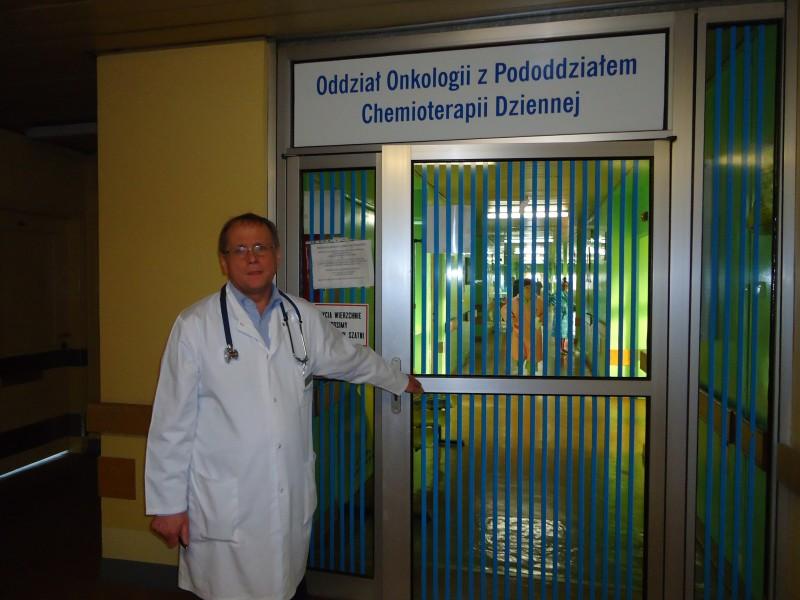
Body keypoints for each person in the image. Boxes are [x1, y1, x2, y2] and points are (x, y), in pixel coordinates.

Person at [145, 213, 422, 600]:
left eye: (261, 247)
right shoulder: (195, 326)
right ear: (224, 261)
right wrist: (168, 506)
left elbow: (348, 358)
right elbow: (171, 423)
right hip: (225, 507)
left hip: (287, 496)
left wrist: (396, 379)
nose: (252, 257)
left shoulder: (301, 317)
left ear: (276, 255)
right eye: (240, 249)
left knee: (286, 586)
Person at [509, 279, 544, 372]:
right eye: (527, 288)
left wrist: (540, 319)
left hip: (534, 334)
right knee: (520, 357)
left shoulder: (539, 300)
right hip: (520, 333)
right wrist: (513, 321)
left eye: (531, 287)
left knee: (532, 359)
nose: (529, 290)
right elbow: (506, 312)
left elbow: (544, 313)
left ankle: (529, 375)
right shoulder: (515, 301)